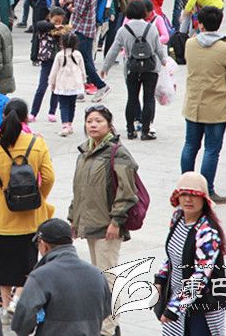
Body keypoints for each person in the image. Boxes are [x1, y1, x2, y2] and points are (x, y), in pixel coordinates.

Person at [0, 99, 55, 324]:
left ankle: (4, 305)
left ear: (4, 116)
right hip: (30, 217)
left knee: (2, 265)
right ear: (26, 118)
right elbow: (49, 177)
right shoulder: (37, 142)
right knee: (28, 263)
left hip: (1, 216)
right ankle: (17, 299)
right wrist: (39, 198)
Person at [68, 105, 137, 336]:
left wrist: (116, 221)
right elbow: (79, 190)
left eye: (98, 121)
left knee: (108, 279)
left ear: (109, 124)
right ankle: (106, 325)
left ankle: (107, 329)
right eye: (89, 121)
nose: (93, 125)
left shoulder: (117, 153)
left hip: (109, 227)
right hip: (90, 225)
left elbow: (127, 192)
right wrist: (74, 218)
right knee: (98, 279)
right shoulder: (84, 152)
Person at [153, 172, 226, 335]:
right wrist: (160, 279)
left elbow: (200, 276)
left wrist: (174, 308)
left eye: (194, 195)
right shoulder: (177, 218)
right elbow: (173, 256)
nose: (188, 199)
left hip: (203, 307)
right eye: (184, 194)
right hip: (177, 299)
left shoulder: (207, 232)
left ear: (204, 199)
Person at [11, 218, 110, 336]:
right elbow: (106, 310)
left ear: (43, 245)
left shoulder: (40, 276)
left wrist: (39, 315)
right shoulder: (97, 274)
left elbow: (21, 325)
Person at [180, 6, 226, 204]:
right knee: (211, 149)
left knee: (190, 145)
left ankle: (185, 186)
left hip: (194, 103)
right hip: (217, 105)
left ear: (200, 23)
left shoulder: (190, 44)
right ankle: (207, 190)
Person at [101, 0, 168, 140]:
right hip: (150, 68)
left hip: (132, 68)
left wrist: (105, 67)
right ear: (144, 12)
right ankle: (145, 131)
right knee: (149, 98)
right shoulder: (151, 28)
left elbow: (113, 50)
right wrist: (164, 61)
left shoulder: (123, 30)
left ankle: (130, 130)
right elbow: (158, 48)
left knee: (132, 98)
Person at [69, 0, 109, 100]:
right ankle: (81, 89)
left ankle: (101, 85)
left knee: (84, 61)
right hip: (88, 28)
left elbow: (79, 11)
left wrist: (70, 7)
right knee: (85, 60)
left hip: (82, 29)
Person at [30, 7, 68, 122]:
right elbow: (39, 25)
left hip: (58, 62)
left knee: (55, 88)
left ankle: (52, 112)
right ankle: (33, 113)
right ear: (50, 17)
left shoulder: (62, 31)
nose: (58, 23)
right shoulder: (44, 27)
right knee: (42, 88)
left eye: (60, 21)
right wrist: (53, 26)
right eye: (55, 20)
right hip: (46, 61)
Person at [47, 32, 86, 136]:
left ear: (62, 42)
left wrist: (52, 82)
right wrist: (83, 81)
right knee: (72, 105)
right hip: (75, 84)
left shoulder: (60, 55)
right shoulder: (78, 54)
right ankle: (69, 124)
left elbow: (54, 71)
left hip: (62, 84)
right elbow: (82, 70)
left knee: (63, 105)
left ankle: (65, 126)